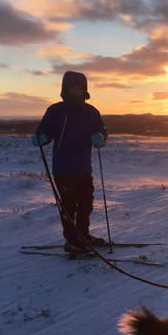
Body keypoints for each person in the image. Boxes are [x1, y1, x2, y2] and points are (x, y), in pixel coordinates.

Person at [31, 71, 108, 254]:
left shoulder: (91, 112)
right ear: (65, 88)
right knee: (68, 204)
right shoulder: (56, 111)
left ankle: (83, 235)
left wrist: (101, 139)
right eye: (73, 87)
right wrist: (41, 137)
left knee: (86, 203)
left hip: (83, 168)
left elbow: (102, 132)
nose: (77, 91)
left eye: (80, 87)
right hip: (63, 168)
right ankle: (72, 241)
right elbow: (46, 131)